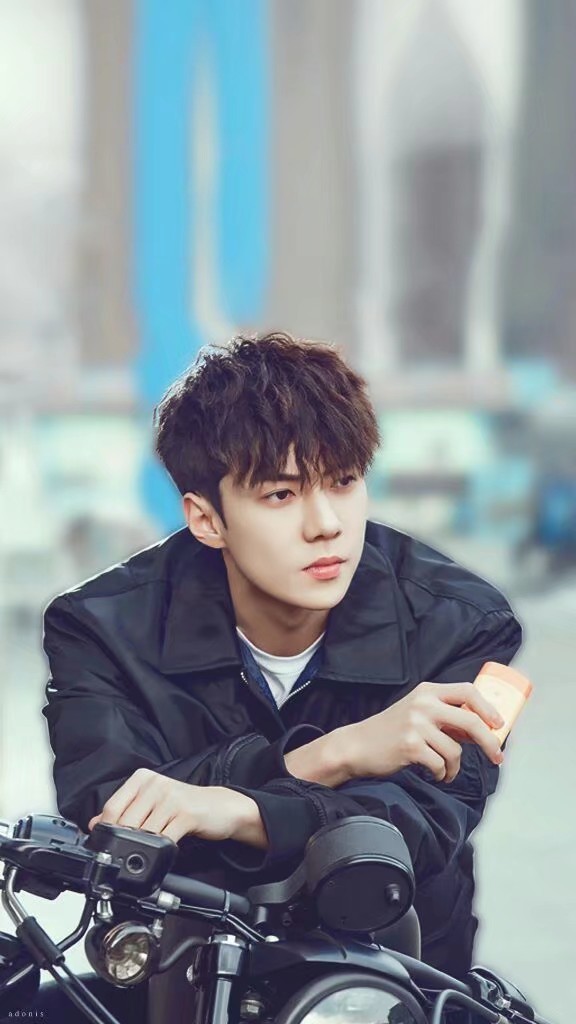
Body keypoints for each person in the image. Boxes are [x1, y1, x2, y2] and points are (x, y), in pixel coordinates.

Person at [41, 333, 521, 1018]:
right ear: (207, 519)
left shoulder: (466, 624)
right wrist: (334, 755)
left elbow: (422, 826)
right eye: (280, 494)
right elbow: (113, 814)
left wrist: (233, 809)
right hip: (179, 982)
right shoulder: (100, 628)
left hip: (395, 988)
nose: (326, 525)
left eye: (343, 482)